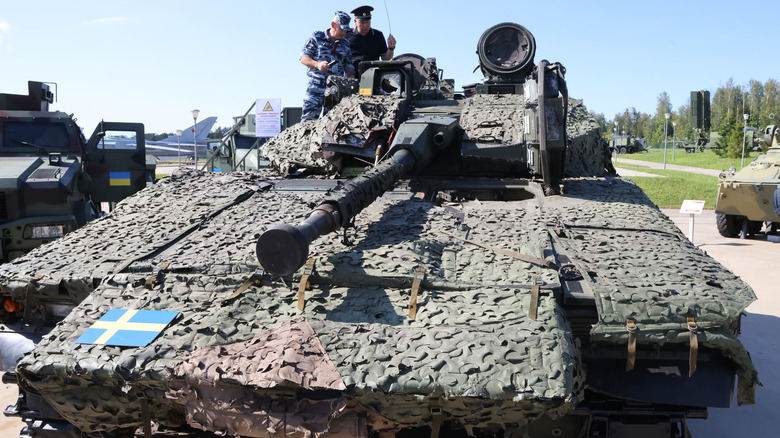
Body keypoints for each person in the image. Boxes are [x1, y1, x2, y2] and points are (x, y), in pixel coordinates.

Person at [300, 11, 355, 121]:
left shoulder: (346, 44)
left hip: (335, 90)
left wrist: (350, 79)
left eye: (346, 30)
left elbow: (349, 66)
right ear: (333, 25)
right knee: (308, 121)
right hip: (316, 88)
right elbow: (303, 58)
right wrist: (317, 64)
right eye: (341, 29)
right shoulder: (317, 37)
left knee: (331, 124)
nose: (344, 32)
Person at [344, 5, 396, 75]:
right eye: (362, 22)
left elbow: (386, 59)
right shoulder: (346, 35)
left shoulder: (378, 35)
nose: (365, 25)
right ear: (355, 21)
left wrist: (391, 48)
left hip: (373, 75)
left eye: (367, 22)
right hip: (352, 75)